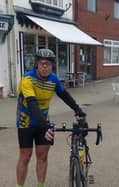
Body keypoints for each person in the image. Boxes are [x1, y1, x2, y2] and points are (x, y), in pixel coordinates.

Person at [16, 49, 86, 187]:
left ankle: (40, 185)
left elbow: (64, 95)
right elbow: (32, 104)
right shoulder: (27, 79)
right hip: (26, 123)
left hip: (43, 122)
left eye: (48, 64)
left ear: (52, 65)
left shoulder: (53, 79)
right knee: (25, 156)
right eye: (42, 63)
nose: (45, 66)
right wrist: (45, 126)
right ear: (36, 64)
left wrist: (77, 109)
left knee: (42, 156)